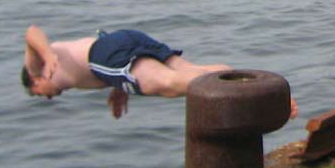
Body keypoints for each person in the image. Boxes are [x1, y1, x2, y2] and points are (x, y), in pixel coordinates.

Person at [22, 25, 299, 119]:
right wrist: (119, 89)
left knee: (172, 83)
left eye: (38, 94)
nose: (46, 97)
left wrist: (46, 56)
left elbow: (31, 32)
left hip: (105, 54)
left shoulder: (38, 69)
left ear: (35, 82)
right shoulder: (68, 71)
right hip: (121, 40)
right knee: (192, 71)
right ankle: (261, 83)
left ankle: (269, 97)